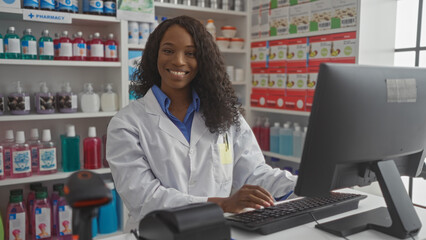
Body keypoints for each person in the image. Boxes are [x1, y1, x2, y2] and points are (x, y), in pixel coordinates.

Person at [106, 15, 297, 231]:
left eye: (191, 53)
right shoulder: (127, 123)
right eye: (168, 50)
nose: (178, 61)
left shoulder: (226, 115)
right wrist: (221, 204)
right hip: (159, 234)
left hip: (216, 230)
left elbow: (254, 173)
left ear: (203, 60)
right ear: (154, 55)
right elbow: (144, 197)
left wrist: (304, 184)